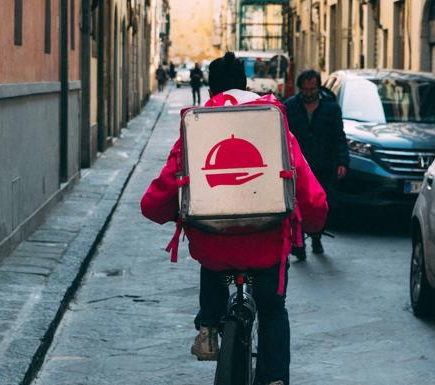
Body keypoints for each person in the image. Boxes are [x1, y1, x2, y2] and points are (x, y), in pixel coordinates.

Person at [141, 52, 328, 385]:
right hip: (267, 244)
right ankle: (274, 379)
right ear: (245, 84)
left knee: (210, 253)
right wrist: (315, 222)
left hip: (215, 247)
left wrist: (163, 211)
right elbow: (302, 177)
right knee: (272, 309)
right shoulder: (271, 118)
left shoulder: (198, 123)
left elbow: (167, 186)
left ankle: (209, 328)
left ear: (211, 88)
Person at [284, 69, 349, 259]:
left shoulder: (331, 108)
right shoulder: (290, 107)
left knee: (320, 205)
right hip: (299, 166)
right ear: (300, 88)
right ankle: (300, 243)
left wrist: (342, 161)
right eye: (305, 89)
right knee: (299, 206)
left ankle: (316, 237)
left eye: (312, 89)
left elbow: (339, 136)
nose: (309, 93)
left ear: (318, 87)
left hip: (324, 164)